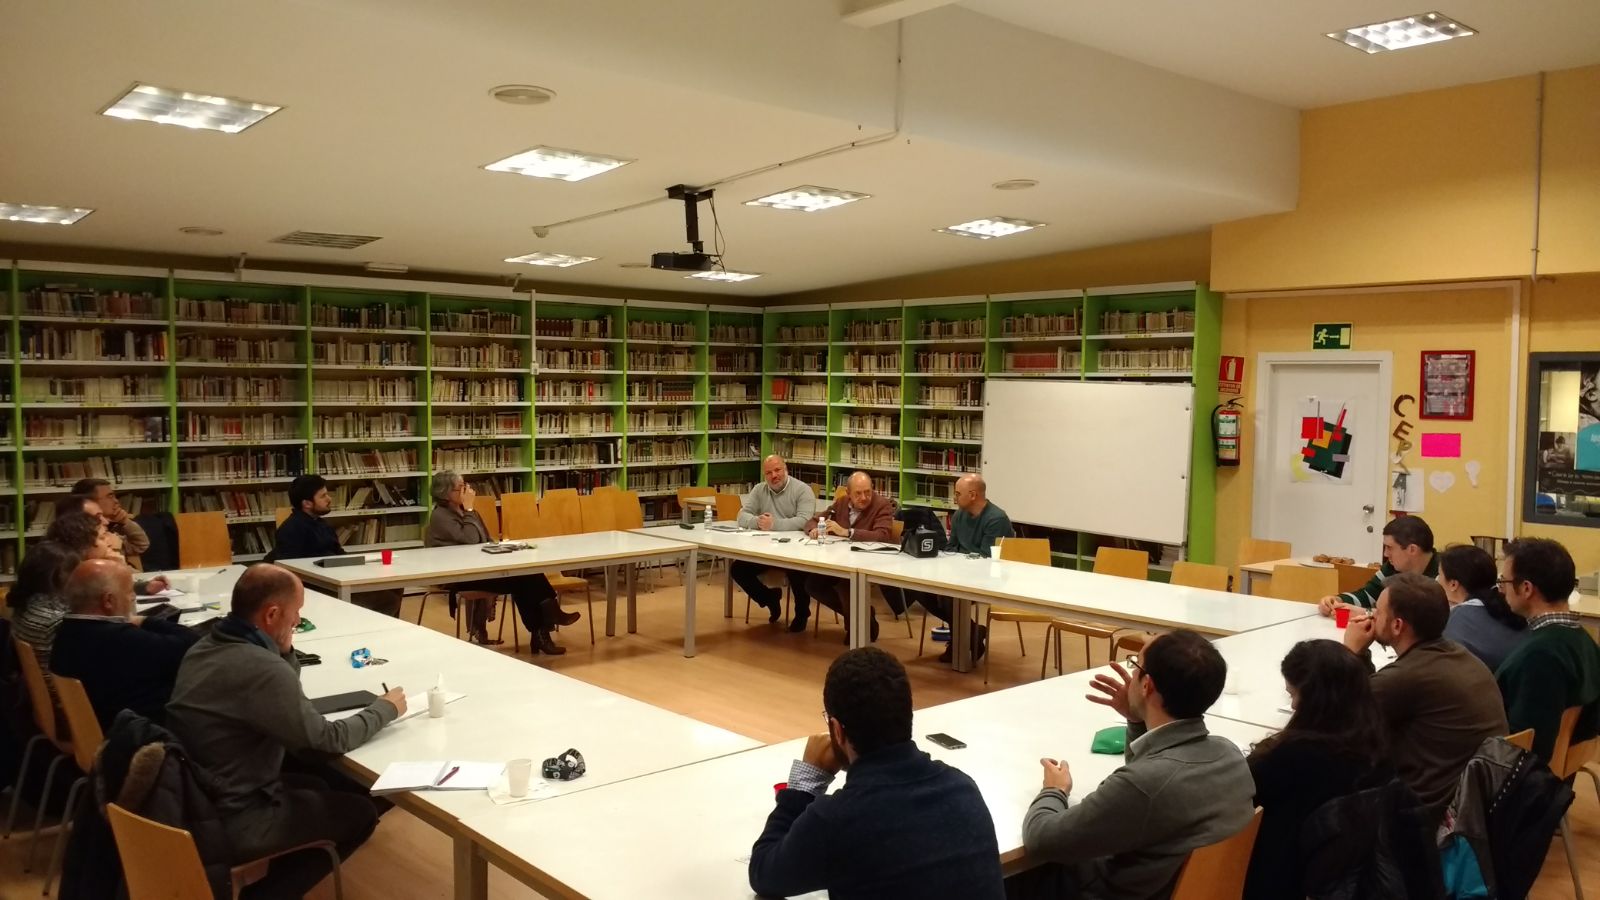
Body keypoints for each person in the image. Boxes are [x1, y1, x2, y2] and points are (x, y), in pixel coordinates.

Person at [167, 564, 404, 899]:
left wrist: (283, 647)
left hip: (196, 798)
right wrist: (385, 709)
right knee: (361, 810)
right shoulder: (261, 669)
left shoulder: (205, 647)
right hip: (232, 816)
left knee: (320, 784)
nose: (298, 621)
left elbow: (281, 689)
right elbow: (327, 740)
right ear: (272, 614)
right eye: (296, 612)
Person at [1006, 629, 1255, 900]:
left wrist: (1054, 790)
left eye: (1136, 666)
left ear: (1147, 685)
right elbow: (1154, 778)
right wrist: (1138, 720)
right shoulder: (1229, 755)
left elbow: (1042, 840)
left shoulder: (1143, 786)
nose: (1132, 673)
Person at [749, 647, 1003, 899]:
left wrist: (805, 782)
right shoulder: (964, 788)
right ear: (907, 714)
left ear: (836, 730)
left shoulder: (836, 818)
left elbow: (763, 872)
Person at [1341, 572, 1506, 825]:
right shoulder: (1457, 654)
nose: (1372, 616)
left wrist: (1349, 652)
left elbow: (1338, 715)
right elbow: (1371, 697)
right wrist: (1361, 657)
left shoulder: (1407, 675)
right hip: (1481, 804)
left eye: (1378, 611)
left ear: (1397, 625)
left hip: (1432, 816)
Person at [1243, 640, 1391, 900]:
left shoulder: (1293, 758)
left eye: (1293, 695)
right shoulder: (1377, 747)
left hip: (1286, 880)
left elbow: (1241, 791)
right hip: (1349, 879)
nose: (1292, 706)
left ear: (1315, 701)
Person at [423, 470, 577, 654]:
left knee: (526, 575)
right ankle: (546, 623)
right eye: (462, 487)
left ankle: (542, 631)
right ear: (446, 493)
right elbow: (471, 539)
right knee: (523, 579)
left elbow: (485, 538)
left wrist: (502, 548)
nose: (468, 490)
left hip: (479, 568)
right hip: (460, 575)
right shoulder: (441, 516)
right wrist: (470, 510)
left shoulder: (465, 510)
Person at [49, 558, 198, 729]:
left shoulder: (66, 630)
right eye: (129, 592)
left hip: (93, 724)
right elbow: (193, 644)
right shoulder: (122, 640)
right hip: (139, 733)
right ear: (108, 601)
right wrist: (143, 620)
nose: (133, 597)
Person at [1494, 537, 1600, 766]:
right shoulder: (1584, 642)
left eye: (1503, 581)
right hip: (1562, 770)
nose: (1501, 590)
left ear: (1526, 588)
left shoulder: (1540, 656)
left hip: (1518, 777)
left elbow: (1526, 745)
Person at [901, 473, 1013, 664]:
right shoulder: (960, 514)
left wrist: (957, 569)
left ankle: (959, 641)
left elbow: (987, 557)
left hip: (988, 576)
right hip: (959, 573)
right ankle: (972, 632)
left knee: (948, 597)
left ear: (973, 495)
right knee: (919, 589)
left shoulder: (996, 519)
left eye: (958, 493)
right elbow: (951, 546)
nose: (954, 498)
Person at [264, 474, 403, 617]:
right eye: (323, 496)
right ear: (307, 504)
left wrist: (360, 566)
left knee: (394, 586)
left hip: (336, 577)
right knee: (388, 600)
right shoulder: (291, 529)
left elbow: (338, 552)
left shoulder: (321, 523)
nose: (329, 499)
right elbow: (291, 569)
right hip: (318, 587)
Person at [802, 471, 897, 641]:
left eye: (868, 492)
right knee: (812, 584)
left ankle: (857, 627)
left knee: (847, 584)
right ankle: (863, 617)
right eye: (858, 493)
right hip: (840, 559)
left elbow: (882, 535)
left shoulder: (882, 505)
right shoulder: (841, 503)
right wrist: (813, 529)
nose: (864, 497)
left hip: (868, 562)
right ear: (848, 493)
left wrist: (847, 532)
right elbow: (814, 520)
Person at [731, 455, 817, 624]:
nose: (774, 476)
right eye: (769, 473)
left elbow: (805, 521)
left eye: (777, 470)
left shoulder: (802, 490)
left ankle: (802, 614)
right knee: (738, 569)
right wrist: (758, 522)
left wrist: (774, 524)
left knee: (797, 570)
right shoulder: (759, 489)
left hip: (794, 550)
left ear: (786, 470)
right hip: (765, 549)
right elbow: (742, 516)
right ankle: (769, 598)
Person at [1318, 515, 1439, 616]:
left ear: (1412, 549)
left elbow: (1419, 619)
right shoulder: (1392, 566)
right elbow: (1368, 596)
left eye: (1390, 548)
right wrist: (1337, 600)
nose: (1385, 554)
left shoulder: (1443, 574)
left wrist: (1368, 613)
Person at [1436, 544, 1527, 671]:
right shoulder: (1513, 607)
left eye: (1439, 574)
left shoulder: (1457, 619)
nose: (1436, 580)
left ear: (1453, 584)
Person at [8, 541, 84, 682]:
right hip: (58, 690)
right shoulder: (57, 621)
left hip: (32, 685)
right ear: (60, 576)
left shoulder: (24, 603)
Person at [71, 477, 151, 566]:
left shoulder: (113, 528)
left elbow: (141, 545)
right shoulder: (83, 537)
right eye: (110, 496)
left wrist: (125, 521)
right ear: (89, 502)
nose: (116, 501)